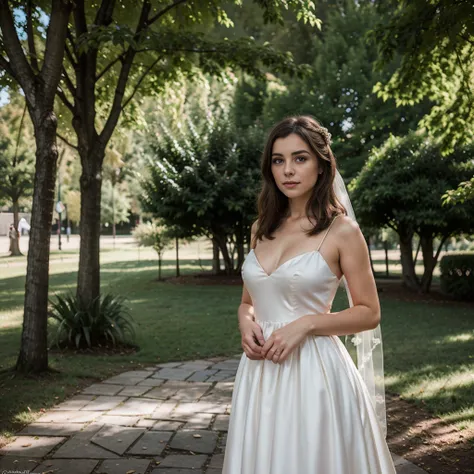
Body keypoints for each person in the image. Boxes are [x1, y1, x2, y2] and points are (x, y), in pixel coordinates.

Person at [222, 116, 396, 474]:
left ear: (321, 165)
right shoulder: (261, 228)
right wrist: (244, 321)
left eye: (300, 158)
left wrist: (307, 324)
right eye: (278, 159)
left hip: (315, 376)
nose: (288, 170)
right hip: (259, 374)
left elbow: (369, 312)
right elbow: (248, 302)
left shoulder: (342, 230)